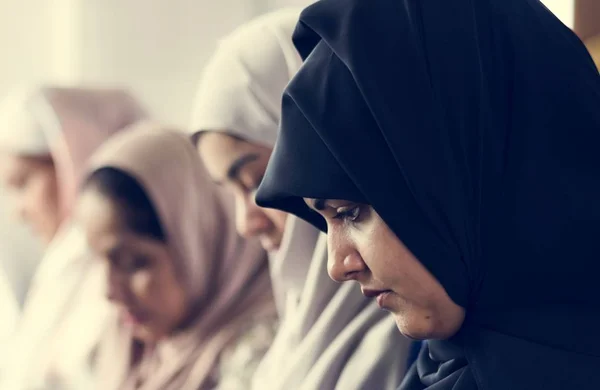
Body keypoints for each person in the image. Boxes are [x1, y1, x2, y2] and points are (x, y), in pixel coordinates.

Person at [255, 0, 600, 389]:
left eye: (350, 212)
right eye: (326, 219)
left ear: (468, 173)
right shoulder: (445, 366)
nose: (338, 266)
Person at [191, 8, 410, 389]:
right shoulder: (295, 330)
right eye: (231, 194)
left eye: (260, 180)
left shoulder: (416, 338)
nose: (246, 222)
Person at [77, 123, 276, 390]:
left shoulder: (262, 359)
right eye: (99, 261)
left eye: (133, 263)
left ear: (202, 238)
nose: (109, 292)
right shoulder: (123, 348)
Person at [0, 86, 147, 389]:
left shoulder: (120, 279)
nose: (19, 211)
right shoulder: (59, 269)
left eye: (24, 183)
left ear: (72, 162)